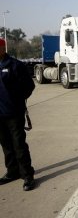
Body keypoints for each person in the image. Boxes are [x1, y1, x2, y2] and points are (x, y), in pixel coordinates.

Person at [0, 38, 36, 191]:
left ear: (3, 48)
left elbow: (29, 86)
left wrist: (18, 101)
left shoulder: (15, 65)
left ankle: (27, 176)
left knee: (19, 145)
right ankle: (12, 171)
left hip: (14, 113)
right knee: (6, 146)